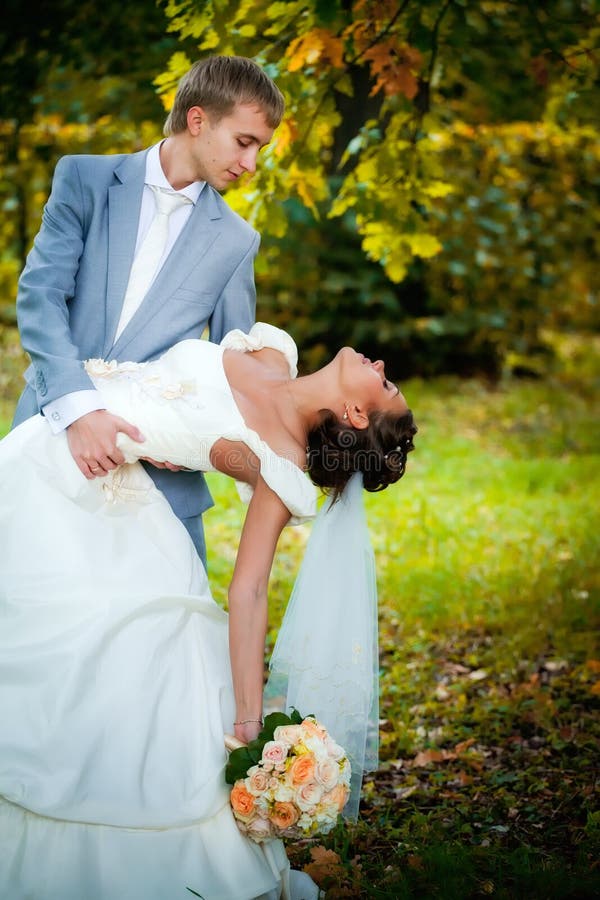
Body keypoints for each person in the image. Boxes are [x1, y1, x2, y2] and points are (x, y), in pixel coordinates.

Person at [0, 322, 416, 899]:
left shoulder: (279, 465)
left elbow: (248, 591)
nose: (379, 364)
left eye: (384, 383)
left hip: (92, 494)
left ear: (354, 413)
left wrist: (250, 726)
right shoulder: (273, 350)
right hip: (47, 451)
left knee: (116, 669)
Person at [12, 55, 285, 566]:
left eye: (259, 149)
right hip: (49, 440)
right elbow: (40, 297)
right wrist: (81, 410)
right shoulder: (83, 180)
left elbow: (233, 374)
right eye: (244, 142)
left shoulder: (237, 242)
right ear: (197, 119)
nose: (251, 164)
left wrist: (192, 438)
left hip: (159, 480)